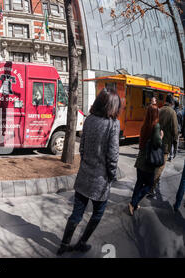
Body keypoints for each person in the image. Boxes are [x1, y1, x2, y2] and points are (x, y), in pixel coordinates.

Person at [57, 88, 121, 256]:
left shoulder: (89, 119)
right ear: (113, 105)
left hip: (84, 174)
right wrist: (112, 175)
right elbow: (113, 156)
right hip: (100, 180)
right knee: (98, 213)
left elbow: (83, 148)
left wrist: (87, 164)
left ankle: (64, 244)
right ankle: (81, 242)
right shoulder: (113, 124)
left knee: (76, 213)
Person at [128, 104, 163, 215]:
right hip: (149, 161)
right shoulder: (156, 126)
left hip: (141, 159)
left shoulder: (144, 125)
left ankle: (133, 204)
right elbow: (157, 142)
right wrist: (161, 136)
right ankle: (133, 203)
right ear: (156, 114)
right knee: (148, 186)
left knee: (139, 183)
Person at [150, 94, 178, 197]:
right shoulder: (172, 112)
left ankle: (151, 185)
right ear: (172, 103)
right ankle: (151, 188)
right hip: (165, 145)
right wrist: (175, 148)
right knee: (160, 167)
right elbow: (175, 132)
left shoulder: (159, 110)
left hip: (156, 141)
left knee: (154, 165)